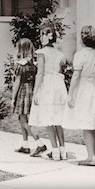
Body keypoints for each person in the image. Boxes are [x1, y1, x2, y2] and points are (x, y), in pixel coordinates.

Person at [63, 25, 95, 166]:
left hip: (85, 88)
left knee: (87, 124)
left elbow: (76, 76)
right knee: (93, 124)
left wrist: (70, 94)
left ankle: (91, 157)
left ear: (83, 39)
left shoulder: (80, 55)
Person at [28, 23, 68, 161]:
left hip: (47, 85)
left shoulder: (41, 53)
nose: (40, 37)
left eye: (41, 34)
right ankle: (63, 150)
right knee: (57, 118)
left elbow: (40, 74)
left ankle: (55, 151)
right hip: (58, 84)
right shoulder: (59, 54)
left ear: (46, 36)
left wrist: (36, 91)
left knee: (48, 118)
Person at [11, 37, 47, 156]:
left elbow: (17, 82)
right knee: (23, 119)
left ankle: (39, 143)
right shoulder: (33, 64)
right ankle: (25, 145)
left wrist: (12, 97)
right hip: (31, 90)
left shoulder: (19, 64)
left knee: (24, 119)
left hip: (22, 90)